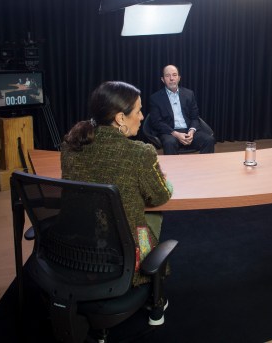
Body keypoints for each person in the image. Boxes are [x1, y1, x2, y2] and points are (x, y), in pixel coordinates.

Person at [61, 81, 173, 323]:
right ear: (121, 118)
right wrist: (164, 180)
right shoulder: (140, 153)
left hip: (77, 244)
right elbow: (160, 196)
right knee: (151, 217)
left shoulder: (70, 145)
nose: (143, 117)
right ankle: (155, 292)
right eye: (138, 111)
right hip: (127, 253)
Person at [149, 64, 215, 155]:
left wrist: (191, 131)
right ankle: (172, 169)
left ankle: (203, 167)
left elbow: (195, 117)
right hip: (170, 132)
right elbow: (156, 122)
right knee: (169, 143)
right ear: (163, 79)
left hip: (188, 130)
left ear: (179, 78)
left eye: (174, 75)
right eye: (168, 76)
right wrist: (176, 134)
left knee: (209, 140)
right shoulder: (155, 98)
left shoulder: (189, 94)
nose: (171, 78)